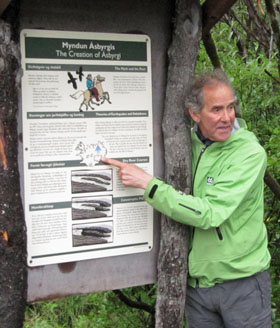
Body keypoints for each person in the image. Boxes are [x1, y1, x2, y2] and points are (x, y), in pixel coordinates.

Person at [102, 69, 272, 327]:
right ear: (195, 113)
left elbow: (210, 213)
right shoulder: (185, 144)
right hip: (198, 287)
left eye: (230, 108)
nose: (227, 117)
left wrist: (149, 185)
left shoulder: (249, 153)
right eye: (216, 110)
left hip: (243, 284)